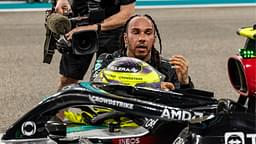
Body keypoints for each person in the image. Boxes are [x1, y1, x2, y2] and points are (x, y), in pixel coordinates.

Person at [90, 14, 194, 90]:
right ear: (125, 38)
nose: (142, 38)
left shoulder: (168, 68)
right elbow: (96, 87)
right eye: (136, 32)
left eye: (148, 33)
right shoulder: (106, 60)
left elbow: (186, 108)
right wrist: (153, 87)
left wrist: (185, 83)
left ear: (154, 39)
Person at [54, 0, 136, 90]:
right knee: (68, 79)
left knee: (110, 79)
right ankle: (61, 103)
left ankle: (103, 103)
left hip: (112, 28)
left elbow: (126, 14)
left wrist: (94, 27)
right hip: (79, 22)